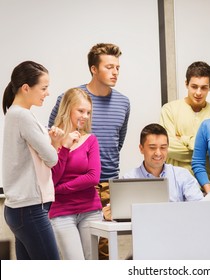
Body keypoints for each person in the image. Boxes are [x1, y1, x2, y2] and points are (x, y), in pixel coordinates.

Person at [48, 43, 130, 259]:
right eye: (109, 67)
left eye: (118, 68)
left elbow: (117, 142)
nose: (115, 72)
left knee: (102, 256)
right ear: (94, 69)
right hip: (66, 195)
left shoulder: (123, 102)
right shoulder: (71, 99)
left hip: (107, 186)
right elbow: (54, 140)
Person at [2, 61, 64, 259]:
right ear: (26, 88)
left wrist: (51, 141)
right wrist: (55, 142)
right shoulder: (23, 116)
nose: (47, 93)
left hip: (20, 209)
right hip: (29, 210)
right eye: (44, 88)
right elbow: (52, 158)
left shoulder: (15, 114)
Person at [102, 123, 203, 221]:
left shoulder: (182, 176)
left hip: (177, 232)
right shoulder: (128, 179)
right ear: (141, 149)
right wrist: (108, 214)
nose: (158, 153)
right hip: (142, 235)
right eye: (152, 148)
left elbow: (199, 207)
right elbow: (118, 211)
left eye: (163, 147)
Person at [49, 88, 102, 260]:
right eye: (81, 111)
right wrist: (63, 147)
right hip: (61, 212)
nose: (85, 116)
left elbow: (93, 177)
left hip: (91, 210)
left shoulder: (90, 140)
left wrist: (60, 189)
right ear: (68, 109)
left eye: (88, 112)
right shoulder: (52, 138)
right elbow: (51, 179)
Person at [160, 61, 210, 183]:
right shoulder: (169, 110)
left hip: (207, 185)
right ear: (186, 84)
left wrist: (184, 139)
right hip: (176, 185)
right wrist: (202, 149)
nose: (198, 92)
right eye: (194, 86)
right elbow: (168, 149)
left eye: (204, 88)